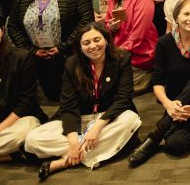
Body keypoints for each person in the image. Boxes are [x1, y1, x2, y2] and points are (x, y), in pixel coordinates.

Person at [25, 22, 140, 178]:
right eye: (86, 43)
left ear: (106, 40)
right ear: (80, 47)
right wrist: (73, 141)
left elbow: (124, 98)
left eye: (97, 40)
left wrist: (97, 127)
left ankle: (65, 161)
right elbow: (68, 105)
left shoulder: (121, 58)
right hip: (80, 118)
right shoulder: (71, 64)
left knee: (131, 119)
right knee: (32, 140)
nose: (93, 46)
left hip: (108, 118)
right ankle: (85, 153)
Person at [127, 0, 190, 167]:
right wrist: (168, 104)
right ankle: (171, 125)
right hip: (175, 106)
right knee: (174, 145)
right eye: (186, 14)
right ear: (176, 17)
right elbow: (157, 81)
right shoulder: (165, 42)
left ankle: (156, 134)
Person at [7, 0, 93, 101]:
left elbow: (86, 20)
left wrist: (63, 47)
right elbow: (13, 26)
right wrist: (32, 50)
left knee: (77, 98)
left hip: (71, 56)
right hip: (39, 59)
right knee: (53, 98)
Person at [0, 12, 45, 164]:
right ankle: (10, 155)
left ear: (3, 30)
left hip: (19, 120)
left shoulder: (22, 58)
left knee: (23, 134)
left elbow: (26, 103)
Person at [104, 0, 157, 92]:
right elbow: (107, 24)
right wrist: (112, 27)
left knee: (114, 88)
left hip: (139, 54)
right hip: (118, 51)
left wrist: (116, 53)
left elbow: (138, 35)